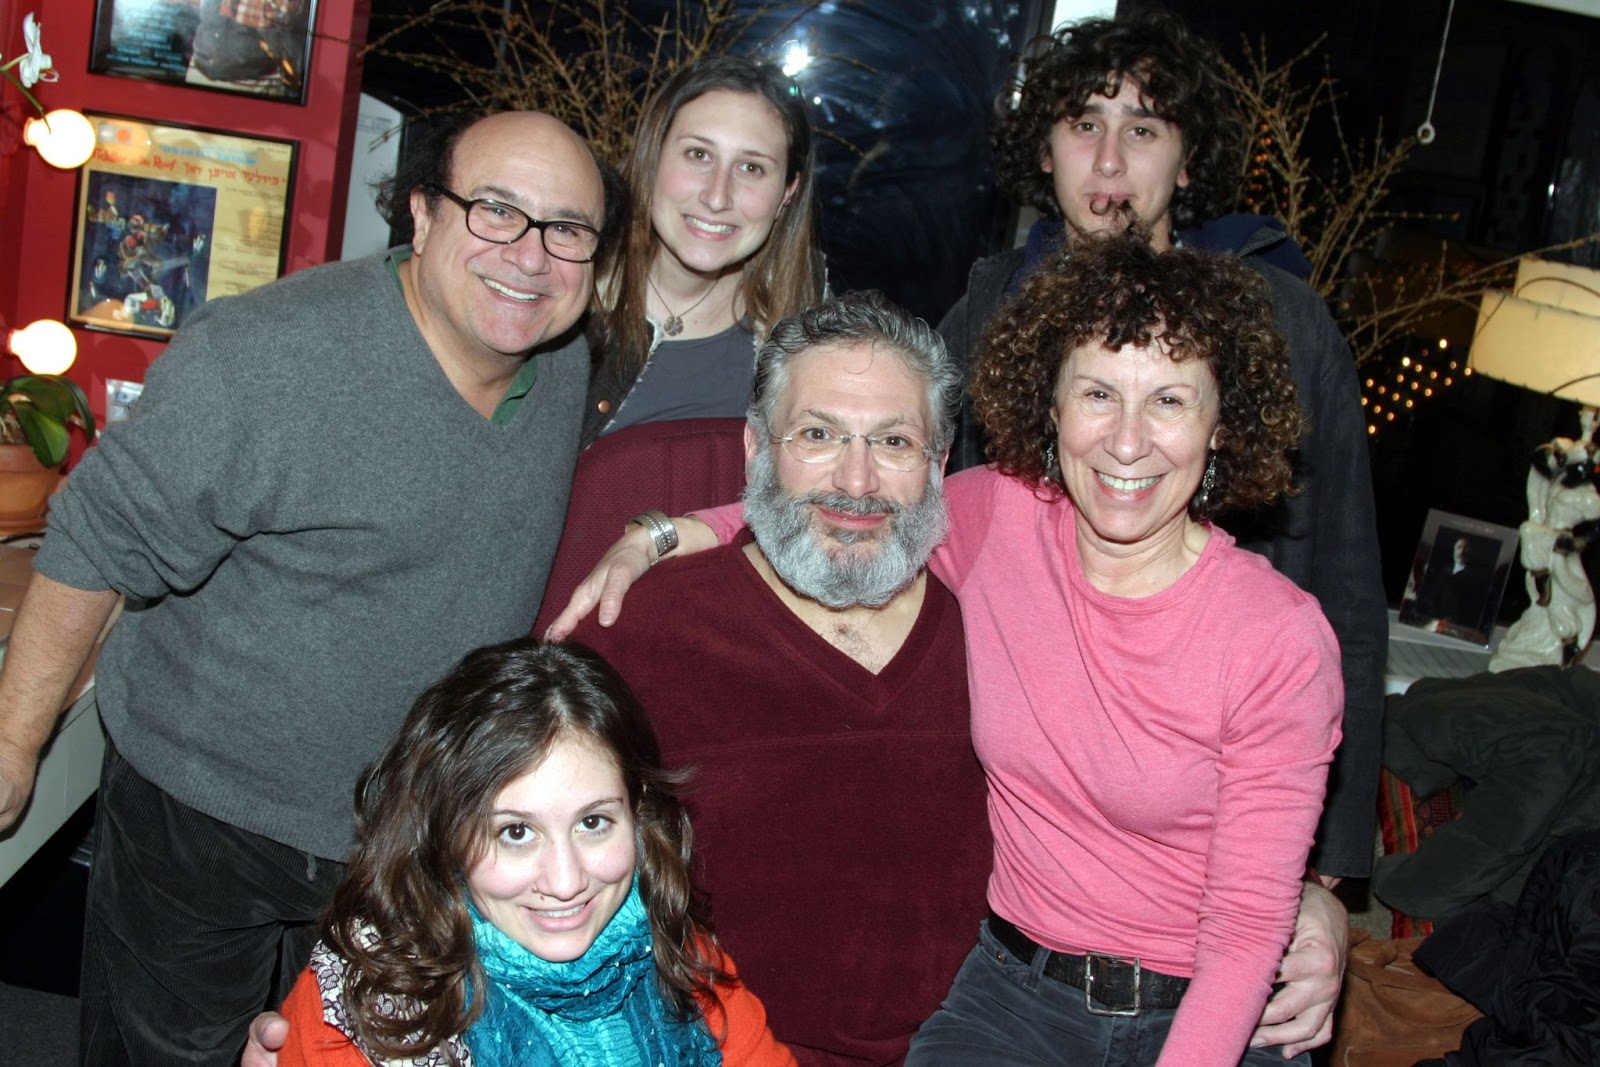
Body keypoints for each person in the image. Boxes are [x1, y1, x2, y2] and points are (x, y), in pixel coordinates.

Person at [0, 110, 619, 1063]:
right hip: (201, 821)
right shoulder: (268, 356)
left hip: (402, 836)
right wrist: (11, 744)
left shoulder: (564, 361)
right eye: (495, 210)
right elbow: (97, 534)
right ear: (421, 210)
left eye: (566, 229)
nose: (530, 255)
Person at [246, 291, 993, 1067]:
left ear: (939, 464)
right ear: (756, 450)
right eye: (817, 434)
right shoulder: (636, 630)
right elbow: (472, 834)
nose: (857, 478)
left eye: (895, 441)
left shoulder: (1001, 634)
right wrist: (327, 1021)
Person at [936, 8, 1386, 887]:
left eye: (1142, 129)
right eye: (1083, 126)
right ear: (1043, 151)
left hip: (1217, 805)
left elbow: (1348, 591)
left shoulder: (1285, 325)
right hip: (1017, 806)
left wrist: (1326, 868)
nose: (1109, 163)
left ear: (1186, 160)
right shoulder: (981, 321)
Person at [274, 637, 792, 1067]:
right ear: (444, 833)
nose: (565, 882)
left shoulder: (682, 960)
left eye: (594, 823)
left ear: (638, 817)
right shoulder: (362, 1016)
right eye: (515, 833)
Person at [582, 55, 824, 445]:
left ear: (788, 192)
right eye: (698, 155)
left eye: (751, 168)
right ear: (653, 156)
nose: (716, 197)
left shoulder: (808, 328)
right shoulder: (562, 296)